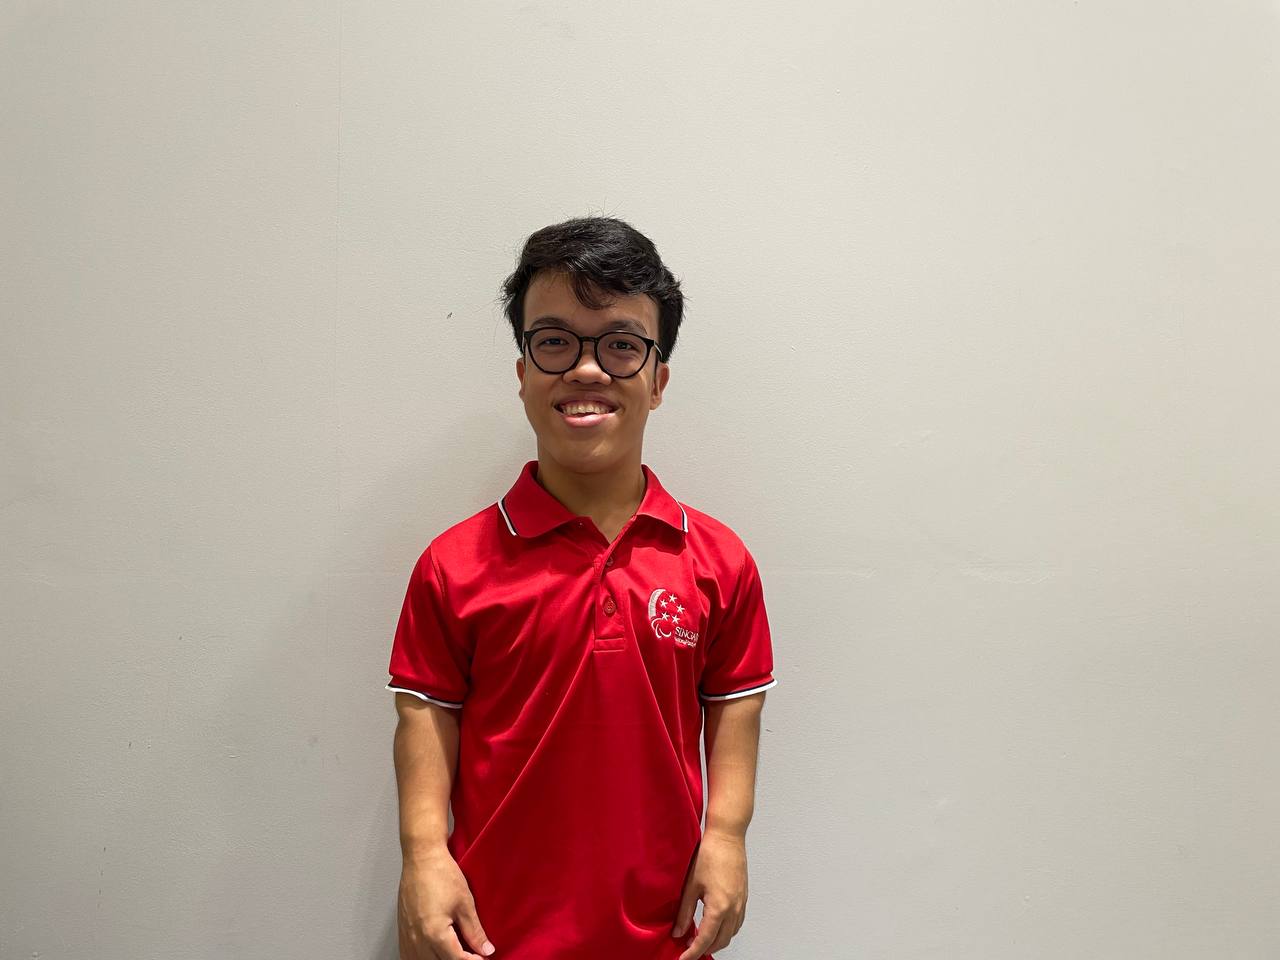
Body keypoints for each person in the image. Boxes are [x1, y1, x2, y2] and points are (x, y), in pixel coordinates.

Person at [386, 215, 778, 960]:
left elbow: (737, 706)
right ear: (523, 373)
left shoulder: (718, 561)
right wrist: (423, 857)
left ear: (658, 381)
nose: (588, 369)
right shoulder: (454, 563)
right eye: (556, 341)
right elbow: (422, 716)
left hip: (664, 936)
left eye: (622, 345)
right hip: (485, 935)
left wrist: (727, 837)